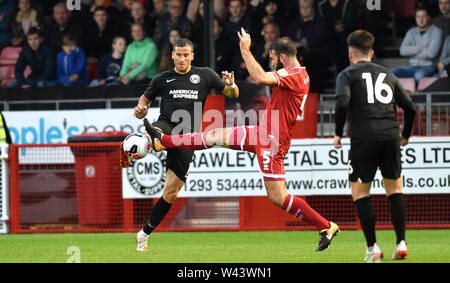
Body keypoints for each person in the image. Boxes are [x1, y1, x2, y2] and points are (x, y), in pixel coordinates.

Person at [142, 31, 340, 252]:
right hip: (262, 133)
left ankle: (326, 226)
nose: (271, 62)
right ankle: (164, 141)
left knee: (277, 196)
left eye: (272, 58)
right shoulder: (298, 73)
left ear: (282, 57)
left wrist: (245, 50)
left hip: (272, 142)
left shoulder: (294, 74)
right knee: (215, 135)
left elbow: (261, 78)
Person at [126, 38, 239, 252]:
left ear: (192, 56)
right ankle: (145, 142)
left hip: (188, 137)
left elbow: (232, 94)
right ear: (172, 55)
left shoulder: (204, 74)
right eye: (178, 54)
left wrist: (231, 84)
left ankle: (144, 234)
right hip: (166, 125)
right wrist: (140, 109)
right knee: (156, 131)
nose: (182, 58)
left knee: (171, 192)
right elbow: (144, 100)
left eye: (186, 55)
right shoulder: (162, 78)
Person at [333, 30, 417, 262]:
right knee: (395, 190)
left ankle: (373, 248)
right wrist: (406, 135)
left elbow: (342, 102)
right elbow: (410, 108)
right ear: (371, 53)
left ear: (350, 54)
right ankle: (401, 243)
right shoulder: (387, 74)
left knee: (360, 193)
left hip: (363, 137)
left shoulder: (346, 74)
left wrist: (338, 132)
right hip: (390, 135)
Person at [286, 0, 333, 93]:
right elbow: (288, 37)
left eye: (307, 7)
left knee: (309, 62)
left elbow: (320, 38)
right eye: (302, 7)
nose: (305, 10)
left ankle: (312, 95)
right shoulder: (295, 23)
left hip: (318, 55)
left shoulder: (320, 22)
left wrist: (302, 44)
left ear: (312, 8)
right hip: (298, 55)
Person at [392, 5, 442, 84]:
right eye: (418, 17)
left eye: (423, 17)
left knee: (419, 75)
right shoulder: (411, 32)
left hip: (428, 66)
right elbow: (402, 51)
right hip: (411, 66)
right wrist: (421, 48)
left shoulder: (436, 31)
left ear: (428, 17)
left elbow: (431, 54)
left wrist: (411, 54)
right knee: (392, 73)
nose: (420, 20)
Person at [318, 0, 359, 72]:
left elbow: (352, 22)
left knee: (344, 41)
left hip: (346, 35)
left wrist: (342, 27)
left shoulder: (347, 2)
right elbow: (322, 23)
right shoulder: (322, 5)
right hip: (328, 36)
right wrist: (333, 28)